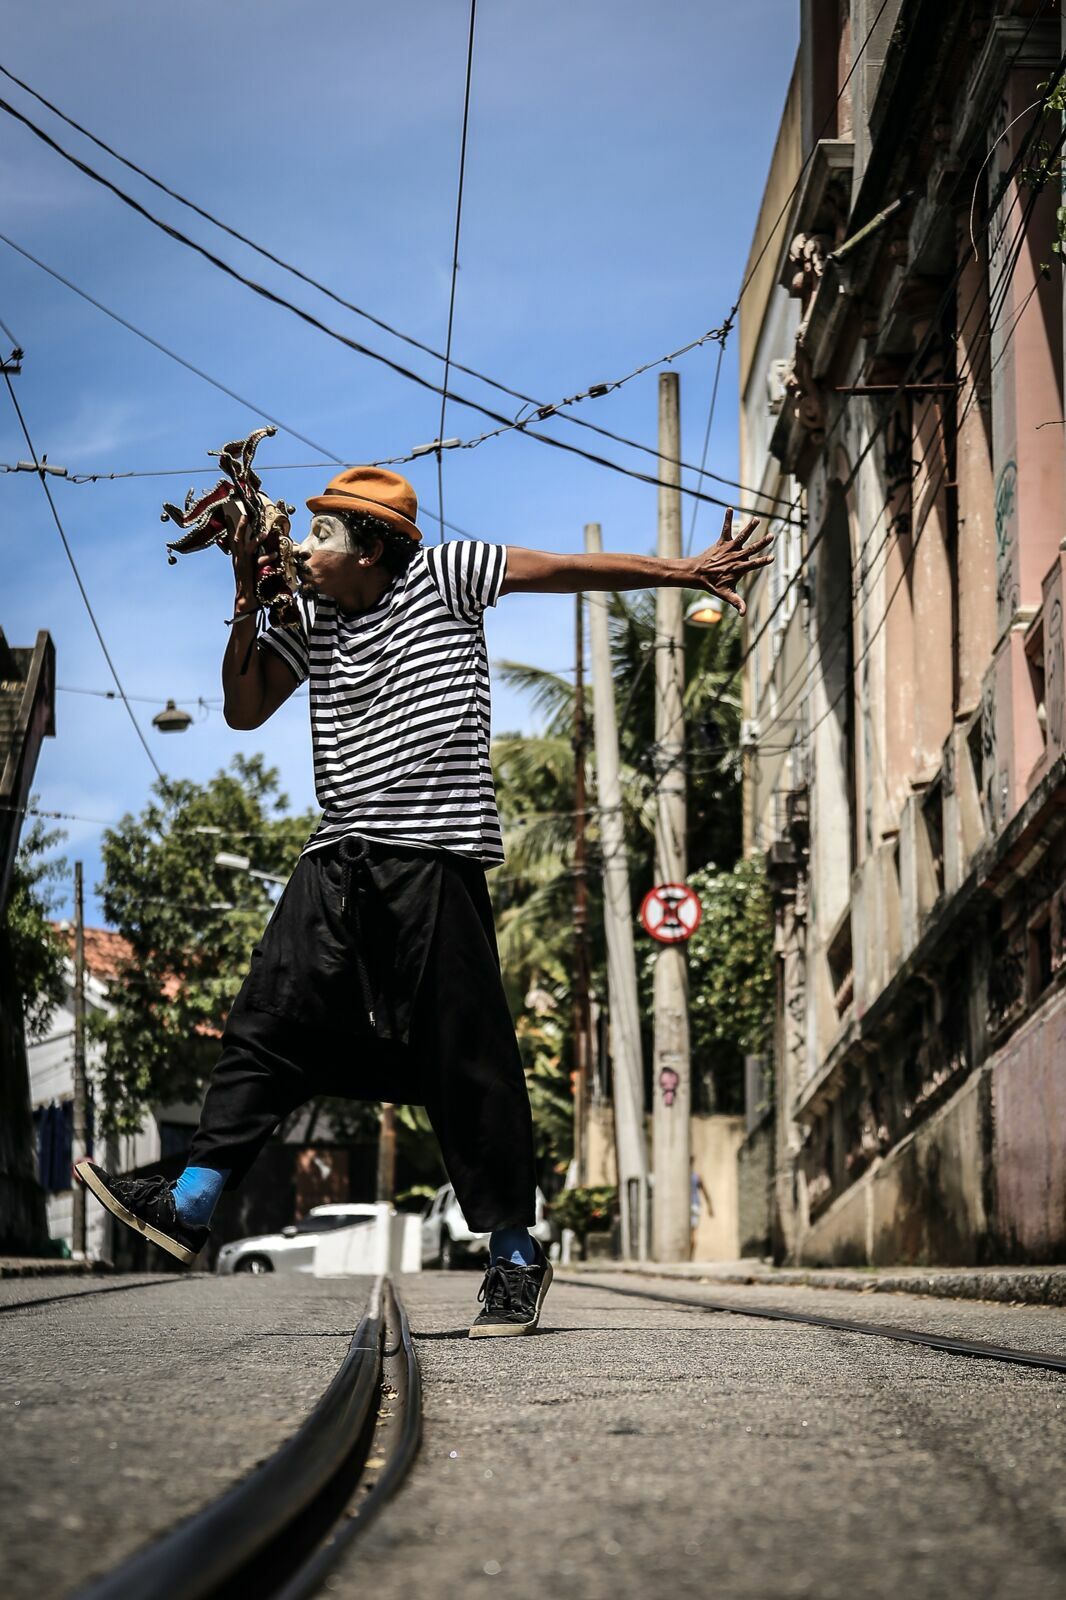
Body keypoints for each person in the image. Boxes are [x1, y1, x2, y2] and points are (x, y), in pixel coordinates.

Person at [76, 466, 771, 1337]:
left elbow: (558, 571)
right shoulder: (311, 615)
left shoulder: (444, 573)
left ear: (370, 547)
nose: (304, 544)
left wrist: (678, 571)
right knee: (267, 1019)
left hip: (432, 858)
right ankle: (192, 1198)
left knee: (465, 1052)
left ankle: (515, 1254)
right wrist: (244, 591)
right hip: (335, 860)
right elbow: (244, 709)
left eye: (322, 535)